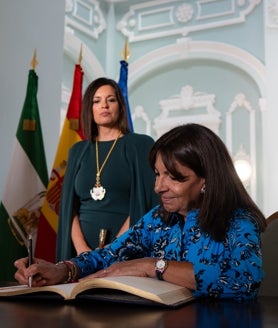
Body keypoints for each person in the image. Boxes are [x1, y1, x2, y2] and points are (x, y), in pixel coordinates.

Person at [14, 123, 266, 301]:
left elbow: (244, 281)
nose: (158, 187)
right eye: (157, 174)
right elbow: (108, 256)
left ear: (206, 179)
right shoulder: (158, 219)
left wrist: (152, 266)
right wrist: (62, 270)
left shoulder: (239, 221)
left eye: (173, 177)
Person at [57, 77, 158, 259]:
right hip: (80, 254)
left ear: (120, 105)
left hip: (126, 250)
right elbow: (68, 208)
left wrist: (113, 248)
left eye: (111, 100)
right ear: (90, 108)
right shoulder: (78, 150)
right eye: (97, 101)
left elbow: (147, 204)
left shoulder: (140, 145)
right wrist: (83, 250)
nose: (104, 105)